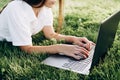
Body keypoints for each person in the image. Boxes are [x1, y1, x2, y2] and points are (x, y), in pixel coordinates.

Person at [0, 0, 94, 60]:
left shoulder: (45, 8)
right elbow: (27, 49)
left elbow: (50, 34)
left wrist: (73, 39)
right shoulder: (16, 8)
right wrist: (60, 48)